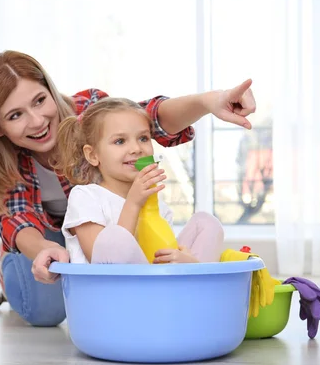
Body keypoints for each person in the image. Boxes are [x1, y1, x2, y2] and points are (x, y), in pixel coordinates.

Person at [0, 50, 256, 327]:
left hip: (119, 226)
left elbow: (148, 117)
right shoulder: (23, 170)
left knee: (205, 223)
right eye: (15, 115)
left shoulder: (89, 114)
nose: (37, 120)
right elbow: (20, 222)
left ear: (50, 90)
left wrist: (209, 101)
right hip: (50, 233)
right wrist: (45, 249)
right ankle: (13, 265)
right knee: (45, 312)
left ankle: (195, 299)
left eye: (40, 101)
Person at [54, 97, 224, 265]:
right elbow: (101, 261)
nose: (136, 149)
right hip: (108, 289)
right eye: (120, 141)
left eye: (143, 138)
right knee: (111, 240)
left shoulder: (157, 206)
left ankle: (195, 276)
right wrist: (133, 203)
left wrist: (182, 259)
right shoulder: (85, 196)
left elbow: (155, 258)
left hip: (156, 286)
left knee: (206, 223)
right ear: (93, 155)